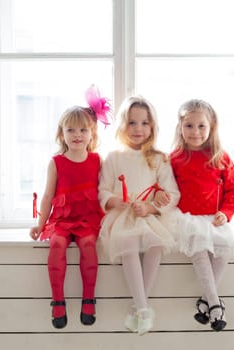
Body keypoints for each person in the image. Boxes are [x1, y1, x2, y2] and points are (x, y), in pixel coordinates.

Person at [98, 96, 180, 335]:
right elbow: (102, 190)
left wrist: (152, 207)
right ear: (123, 125)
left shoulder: (158, 158)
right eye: (132, 123)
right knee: (128, 243)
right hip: (123, 214)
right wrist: (116, 201)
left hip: (150, 215)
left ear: (152, 127)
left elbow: (172, 193)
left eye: (144, 123)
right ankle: (143, 307)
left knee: (156, 245)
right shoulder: (113, 158)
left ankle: (139, 305)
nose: (138, 129)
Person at [30, 86, 111, 329]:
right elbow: (47, 196)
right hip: (63, 220)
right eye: (71, 130)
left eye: (83, 129)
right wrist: (40, 224)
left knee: (87, 244)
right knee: (56, 244)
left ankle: (89, 298)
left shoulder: (98, 160)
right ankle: (57, 301)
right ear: (61, 134)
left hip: (88, 218)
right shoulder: (56, 163)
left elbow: (105, 192)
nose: (77, 135)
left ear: (92, 133)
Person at [168, 99, 234, 331]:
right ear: (180, 127)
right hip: (187, 219)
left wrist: (226, 212)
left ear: (212, 126)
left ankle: (207, 302)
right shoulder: (174, 158)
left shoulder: (220, 157)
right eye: (189, 126)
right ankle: (215, 304)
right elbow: (164, 187)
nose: (195, 132)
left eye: (201, 126)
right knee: (199, 250)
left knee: (224, 248)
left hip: (215, 218)